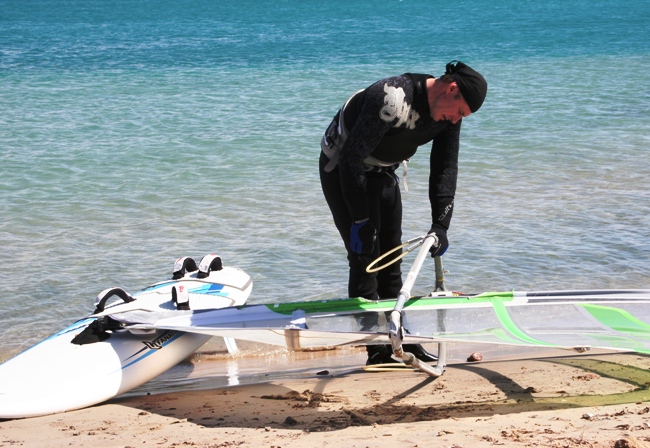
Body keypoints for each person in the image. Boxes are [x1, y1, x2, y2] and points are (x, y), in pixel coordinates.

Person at [319, 61, 487, 365]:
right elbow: (352, 159)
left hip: (383, 173)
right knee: (365, 259)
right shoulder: (392, 97)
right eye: (459, 111)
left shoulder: (447, 117)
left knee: (393, 260)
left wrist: (440, 224)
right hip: (342, 169)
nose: (456, 119)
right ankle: (376, 350)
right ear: (451, 89)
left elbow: (445, 169)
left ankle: (401, 339)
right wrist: (360, 218)